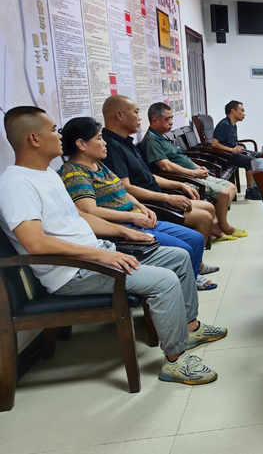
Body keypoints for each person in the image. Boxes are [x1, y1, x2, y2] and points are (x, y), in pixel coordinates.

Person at [0, 106, 227, 385]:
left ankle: (190, 327)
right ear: (34, 139)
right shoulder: (16, 185)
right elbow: (35, 243)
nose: (59, 136)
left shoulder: (46, 174)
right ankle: (176, 361)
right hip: (71, 273)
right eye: (52, 130)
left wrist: (124, 232)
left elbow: (81, 216)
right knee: (165, 281)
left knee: (178, 257)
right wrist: (100, 255)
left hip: (95, 255)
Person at [58, 117, 217, 291]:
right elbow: (89, 211)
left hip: (137, 218)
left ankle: (189, 279)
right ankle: (182, 286)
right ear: (81, 144)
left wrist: (142, 207)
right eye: (99, 138)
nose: (104, 143)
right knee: (184, 249)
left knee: (196, 239)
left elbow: (122, 191)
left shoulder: (98, 164)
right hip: (121, 227)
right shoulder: (74, 173)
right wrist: (132, 217)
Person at [100, 95, 218, 242]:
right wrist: (167, 198)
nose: (140, 118)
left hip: (157, 196)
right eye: (136, 112)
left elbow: (148, 175)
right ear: (120, 115)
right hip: (147, 204)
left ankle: (195, 249)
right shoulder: (111, 147)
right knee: (205, 218)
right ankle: (193, 254)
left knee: (209, 207)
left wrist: (179, 185)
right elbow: (126, 188)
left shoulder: (126, 143)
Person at [139, 102, 246, 242]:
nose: (171, 122)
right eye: (167, 119)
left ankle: (217, 224)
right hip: (182, 178)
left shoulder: (163, 136)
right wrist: (193, 174)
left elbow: (182, 158)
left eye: (171, 118)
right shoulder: (151, 141)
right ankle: (223, 226)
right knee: (224, 193)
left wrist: (197, 167)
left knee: (231, 187)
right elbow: (166, 167)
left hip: (192, 173)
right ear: (154, 121)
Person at [210, 100, 263, 201]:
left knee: (260, 155)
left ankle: (256, 186)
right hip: (225, 155)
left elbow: (231, 143)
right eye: (241, 110)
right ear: (233, 111)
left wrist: (241, 150)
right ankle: (250, 191)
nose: (244, 113)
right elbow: (214, 144)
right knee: (251, 161)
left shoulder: (233, 125)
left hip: (232, 152)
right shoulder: (224, 124)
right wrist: (232, 150)